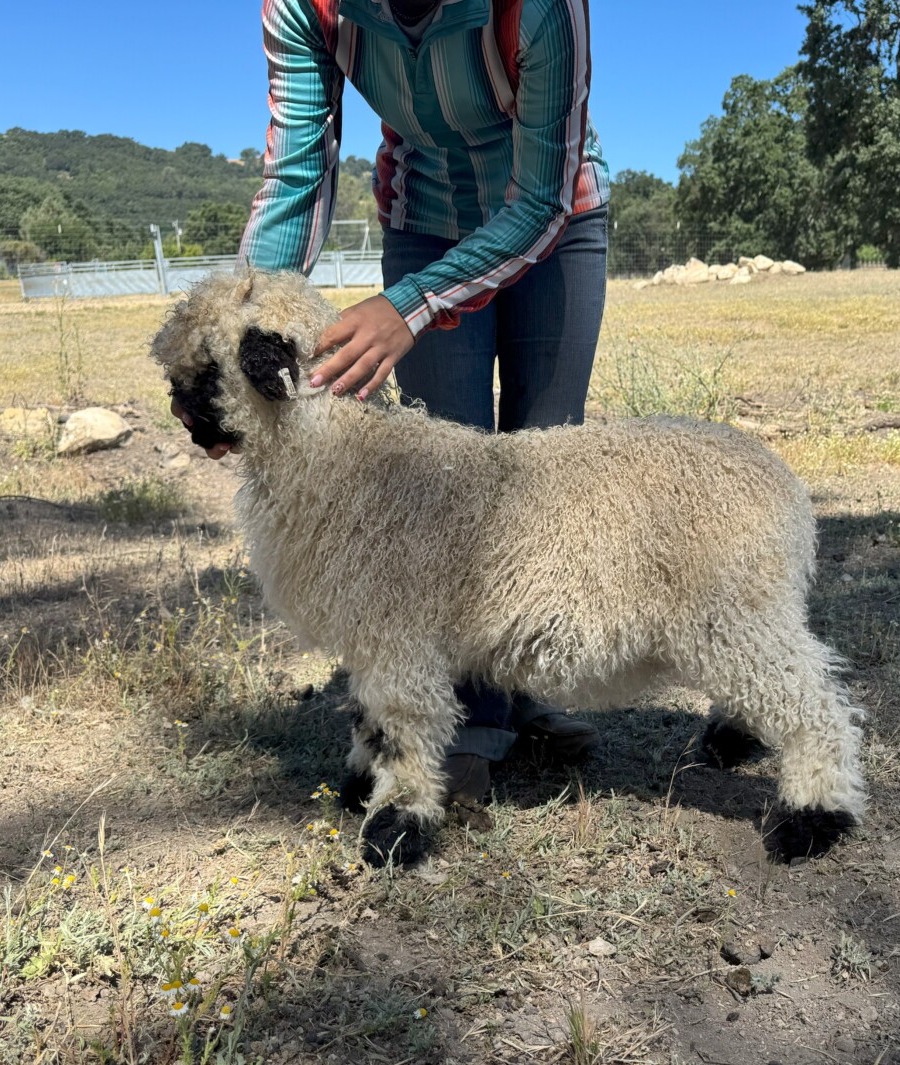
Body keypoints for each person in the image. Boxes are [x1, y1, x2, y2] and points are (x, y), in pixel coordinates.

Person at [179, 0, 611, 811]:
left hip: (555, 225)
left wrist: (408, 307)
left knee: (545, 471)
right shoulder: (305, 9)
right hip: (426, 221)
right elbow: (299, 171)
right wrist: (241, 336)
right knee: (437, 498)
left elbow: (540, 201)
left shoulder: (543, 8)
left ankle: (529, 684)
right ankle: (463, 721)